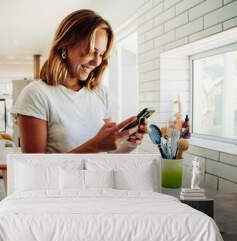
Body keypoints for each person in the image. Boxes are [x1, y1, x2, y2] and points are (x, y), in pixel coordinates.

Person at [12, 9, 147, 153]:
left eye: (101, 54)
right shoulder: (36, 94)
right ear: (65, 45)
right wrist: (96, 145)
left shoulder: (101, 93)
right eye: (91, 50)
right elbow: (34, 168)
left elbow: (107, 155)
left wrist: (128, 142)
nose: (96, 61)